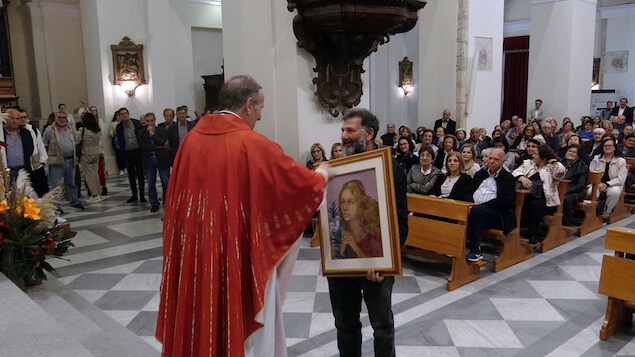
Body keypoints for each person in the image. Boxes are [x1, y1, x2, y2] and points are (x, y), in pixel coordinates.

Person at [156, 75, 328, 357]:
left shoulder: (190, 141)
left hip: (197, 253)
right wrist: (322, 174)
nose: (260, 116)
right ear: (248, 105)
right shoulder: (252, 144)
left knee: (200, 313)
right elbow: (300, 186)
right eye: (260, 108)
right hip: (235, 256)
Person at [329, 107, 407, 357]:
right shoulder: (337, 168)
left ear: (369, 133)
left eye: (349, 130)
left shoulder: (390, 168)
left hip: (376, 265)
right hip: (341, 266)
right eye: (342, 130)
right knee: (345, 325)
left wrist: (387, 263)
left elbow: (400, 220)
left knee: (382, 327)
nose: (343, 135)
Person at [464, 148, 517, 261]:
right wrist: (470, 204)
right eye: (490, 158)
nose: (492, 161)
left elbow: (505, 201)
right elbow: (468, 191)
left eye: (496, 159)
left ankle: (476, 249)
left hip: (497, 214)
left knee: (477, 211)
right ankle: (451, 246)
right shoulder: (481, 173)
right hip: (473, 209)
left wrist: (479, 207)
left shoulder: (508, 178)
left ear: (503, 162)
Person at [512, 145, 566, 244]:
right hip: (527, 195)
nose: (533, 155)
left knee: (534, 205)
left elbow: (561, 172)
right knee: (515, 202)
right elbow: (515, 172)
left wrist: (553, 161)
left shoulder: (551, 168)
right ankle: (511, 233)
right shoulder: (528, 164)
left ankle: (533, 235)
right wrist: (522, 178)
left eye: (536, 154)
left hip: (547, 201)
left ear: (544, 157)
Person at [42, 110, 85, 210]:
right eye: (60, 117)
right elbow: (45, 144)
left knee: (71, 182)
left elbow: (76, 141)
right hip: (56, 161)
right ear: (55, 118)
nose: (62, 120)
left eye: (64, 118)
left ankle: (74, 201)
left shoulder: (71, 129)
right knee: (56, 184)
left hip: (70, 160)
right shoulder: (49, 130)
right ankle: (55, 205)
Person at [335, 180, 382, 258]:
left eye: (350, 202)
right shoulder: (344, 234)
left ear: (360, 204)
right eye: (342, 202)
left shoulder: (373, 236)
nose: (344, 207)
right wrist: (342, 251)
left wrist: (356, 248)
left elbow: (379, 266)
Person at [138, 113, 170, 213]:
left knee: (165, 182)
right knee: (151, 182)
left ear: (155, 120)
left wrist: (152, 135)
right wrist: (157, 147)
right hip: (149, 158)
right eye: (148, 121)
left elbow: (162, 142)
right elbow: (143, 146)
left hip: (161, 158)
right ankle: (154, 203)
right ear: (145, 121)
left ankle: (167, 201)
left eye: (152, 121)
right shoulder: (141, 132)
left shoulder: (161, 130)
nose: (150, 123)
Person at [588, 137, 627, 215]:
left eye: (610, 145)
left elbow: (621, 178)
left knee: (614, 192)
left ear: (614, 148)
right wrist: (598, 184)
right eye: (605, 146)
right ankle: (593, 213)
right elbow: (591, 173)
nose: (607, 147)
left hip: (614, 184)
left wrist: (607, 184)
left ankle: (606, 213)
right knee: (590, 192)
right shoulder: (596, 158)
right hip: (597, 183)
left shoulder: (621, 161)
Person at [116, 108, 146, 203]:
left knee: (140, 174)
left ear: (128, 114)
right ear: (119, 116)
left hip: (138, 151)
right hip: (127, 152)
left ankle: (142, 195)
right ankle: (134, 194)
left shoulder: (137, 124)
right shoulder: (119, 127)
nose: (124, 115)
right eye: (122, 114)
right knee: (131, 175)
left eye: (125, 113)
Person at [77, 112, 105, 204]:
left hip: (86, 154)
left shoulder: (83, 130)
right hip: (96, 152)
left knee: (89, 176)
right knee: (95, 174)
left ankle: (94, 195)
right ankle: (98, 194)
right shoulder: (98, 130)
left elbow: (77, 140)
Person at [3, 108, 36, 183]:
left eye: (17, 119)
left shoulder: (26, 133)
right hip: (7, 171)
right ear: (5, 119)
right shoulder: (1, 134)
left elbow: (30, 150)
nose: (15, 121)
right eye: (12, 118)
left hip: (23, 170)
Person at [561, 144, 588, 226]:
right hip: (560, 189)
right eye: (569, 151)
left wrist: (565, 191)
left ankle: (565, 224)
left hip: (575, 192)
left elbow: (580, 185)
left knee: (565, 199)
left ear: (577, 156)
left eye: (574, 152)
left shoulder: (583, 167)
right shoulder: (561, 163)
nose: (571, 153)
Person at [110, 110, 126, 176]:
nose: (118, 117)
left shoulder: (124, 123)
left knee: (124, 154)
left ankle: (125, 167)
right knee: (118, 155)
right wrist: (114, 131)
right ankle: (120, 169)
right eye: (117, 115)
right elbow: (110, 133)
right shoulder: (113, 123)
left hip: (123, 139)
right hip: (116, 139)